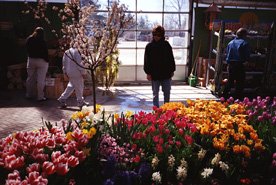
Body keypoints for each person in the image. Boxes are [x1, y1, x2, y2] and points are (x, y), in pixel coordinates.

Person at [144, 25, 176, 107]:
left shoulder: (166, 45)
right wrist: (148, 73)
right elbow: (146, 61)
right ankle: (156, 111)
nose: (156, 37)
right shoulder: (149, 46)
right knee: (155, 94)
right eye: (154, 34)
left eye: (158, 35)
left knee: (167, 93)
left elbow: (171, 58)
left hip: (166, 74)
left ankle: (167, 110)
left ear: (162, 35)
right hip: (154, 74)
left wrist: (172, 70)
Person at [222, 27, 250, 99]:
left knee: (230, 81)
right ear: (244, 35)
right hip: (239, 65)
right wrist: (246, 62)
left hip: (230, 64)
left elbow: (227, 53)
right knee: (240, 82)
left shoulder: (230, 43)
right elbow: (246, 56)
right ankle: (237, 98)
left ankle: (224, 95)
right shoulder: (244, 43)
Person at [25, 27, 49, 101]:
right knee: (41, 80)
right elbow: (45, 52)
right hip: (41, 61)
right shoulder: (42, 41)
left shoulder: (29, 39)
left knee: (30, 78)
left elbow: (26, 48)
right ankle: (40, 97)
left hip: (31, 59)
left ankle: (29, 94)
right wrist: (46, 60)